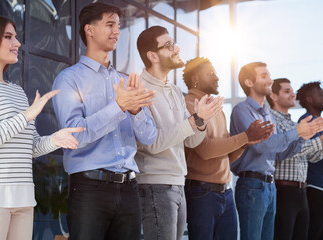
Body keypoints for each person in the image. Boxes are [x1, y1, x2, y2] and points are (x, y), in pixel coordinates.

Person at [0, 16, 83, 240]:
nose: (18, 43)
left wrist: (55, 139)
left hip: (22, 198)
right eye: (8, 36)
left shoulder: (17, 91)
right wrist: (26, 115)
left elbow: (29, 147)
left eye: (15, 36)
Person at [52, 3, 157, 240]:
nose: (117, 31)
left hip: (129, 188)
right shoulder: (69, 79)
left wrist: (136, 110)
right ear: (89, 30)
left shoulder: (127, 81)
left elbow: (150, 137)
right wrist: (118, 107)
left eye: (118, 26)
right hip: (90, 189)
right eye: (110, 24)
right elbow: (74, 137)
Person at [135, 26, 224, 240]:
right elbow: (152, 143)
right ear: (152, 55)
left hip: (178, 183)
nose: (176, 48)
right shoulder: (139, 90)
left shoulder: (174, 91)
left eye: (173, 43)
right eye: (169, 46)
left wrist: (202, 120)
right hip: (155, 184)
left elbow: (192, 141)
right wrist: (195, 120)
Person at [182, 57, 274, 240]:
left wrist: (246, 143)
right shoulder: (189, 105)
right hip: (201, 194)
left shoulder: (217, 109)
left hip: (226, 192)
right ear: (195, 80)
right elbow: (205, 150)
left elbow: (226, 158)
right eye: (210, 73)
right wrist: (245, 137)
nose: (217, 78)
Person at [229, 62, 323, 240]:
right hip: (252, 185)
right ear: (249, 82)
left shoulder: (268, 114)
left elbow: (280, 153)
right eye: (264, 76)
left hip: (269, 187)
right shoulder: (242, 110)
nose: (270, 79)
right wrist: (297, 132)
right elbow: (260, 145)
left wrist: (303, 135)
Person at [266, 78, 323, 240]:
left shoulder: (294, 124)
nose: (293, 94)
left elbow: (312, 156)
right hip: (284, 191)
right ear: (273, 97)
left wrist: (320, 143)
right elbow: (285, 150)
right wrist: (319, 141)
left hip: (301, 191)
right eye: (287, 91)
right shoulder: (272, 121)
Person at [296, 81, 323, 240]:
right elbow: (310, 151)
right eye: (320, 94)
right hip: (314, 187)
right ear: (309, 100)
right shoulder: (306, 122)